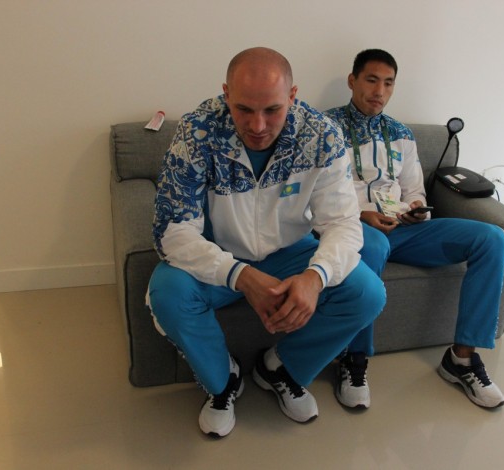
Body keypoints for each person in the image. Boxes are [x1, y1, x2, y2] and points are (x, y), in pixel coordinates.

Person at [146, 47, 386, 437]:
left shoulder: (322, 135)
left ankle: (281, 368)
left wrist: (315, 278)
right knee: (168, 292)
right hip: (219, 255)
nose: (257, 125)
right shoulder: (196, 132)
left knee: (367, 293)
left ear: (292, 96)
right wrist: (239, 275)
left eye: (272, 110)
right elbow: (172, 230)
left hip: (291, 252)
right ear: (226, 94)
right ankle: (223, 382)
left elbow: (342, 222)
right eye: (244, 109)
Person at [325, 49, 504, 410]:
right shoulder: (325, 128)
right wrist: (363, 215)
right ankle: (353, 359)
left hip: (403, 230)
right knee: (374, 246)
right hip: (354, 227)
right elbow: (318, 192)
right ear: (352, 81)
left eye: (388, 83)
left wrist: (414, 211)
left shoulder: (401, 134)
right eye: (371, 80)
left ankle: (461, 358)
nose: (379, 91)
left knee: (492, 238)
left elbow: (414, 191)